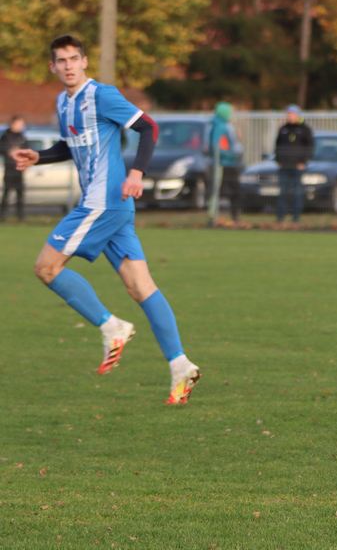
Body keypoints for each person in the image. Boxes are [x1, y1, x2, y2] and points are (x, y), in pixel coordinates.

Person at [8, 35, 200, 404]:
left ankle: (112, 326)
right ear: (53, 67)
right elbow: (70, 144)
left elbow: (148, 127)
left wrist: (137, 173)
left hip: (103, 204)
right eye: (61, 60)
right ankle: (180, 365)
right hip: (112, 209)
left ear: (84, 62)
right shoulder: (63, 103)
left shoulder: (101, 94)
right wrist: (40, 157)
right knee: (140, 287)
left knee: (46, 267)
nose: (68, 65)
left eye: (74, 58)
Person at [274, 105, 313, 223]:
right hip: (284, 166)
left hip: (298, 166)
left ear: (297, 115)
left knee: (297, 192)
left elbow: (310, 147)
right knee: (283, 192)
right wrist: (278, 160)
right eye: (288, 114)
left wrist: (303, 162)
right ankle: (280, 217)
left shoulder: (304, 129)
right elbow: (277, 146)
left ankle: (296, 218)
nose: (289, 116)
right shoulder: (283, 129)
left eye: (291, 114)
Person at [208, 101, 243, 225]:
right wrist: (230, 155)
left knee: (229, 191)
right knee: (227, 191)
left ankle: (229, 217)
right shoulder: (220, 126)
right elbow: (217, 146)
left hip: (230, 163)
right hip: (224, 164)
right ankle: (220, 217)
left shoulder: (224, 125)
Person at [1, 115, 29, 221]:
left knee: (20, 194)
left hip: (19, 169)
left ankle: (20, 216)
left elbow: (27, 149)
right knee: (6, 193)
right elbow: (2, 149)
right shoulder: (5, 136)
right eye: (19, 124)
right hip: (9, 169)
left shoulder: (22, 137)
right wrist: (10, 151)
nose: (21, 126)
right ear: (13, 124)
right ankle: (2, 216)